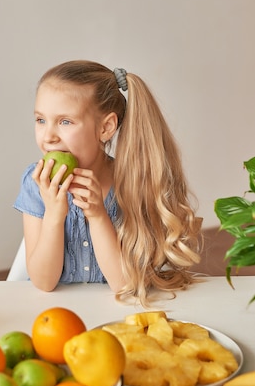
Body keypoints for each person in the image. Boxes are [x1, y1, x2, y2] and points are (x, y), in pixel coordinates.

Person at [13, 60, 202, 305]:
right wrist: (54, 215)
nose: (48, 136)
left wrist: (98, 215)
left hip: (117, 313)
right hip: (57, 313)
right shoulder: (35, 183)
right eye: (41, 120)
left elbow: (124, 286)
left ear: (106, 127)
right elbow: (43, 282)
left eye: (65, 122)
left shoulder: (132, 182)